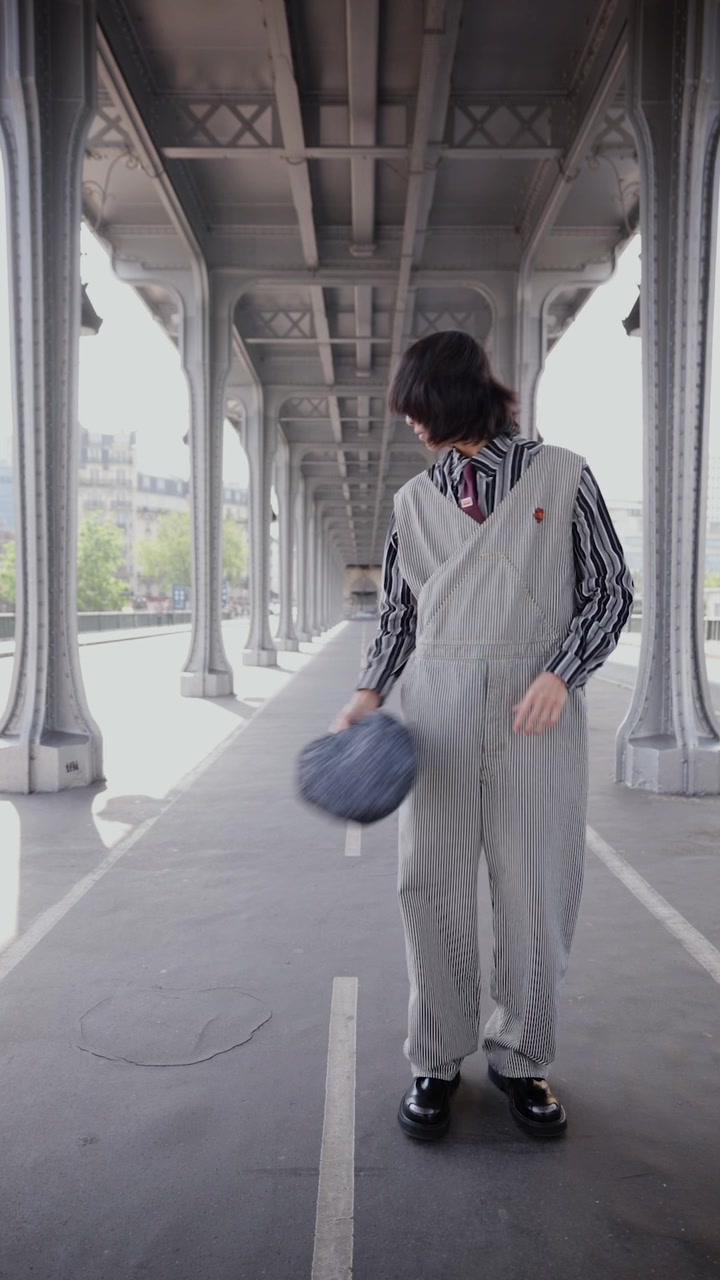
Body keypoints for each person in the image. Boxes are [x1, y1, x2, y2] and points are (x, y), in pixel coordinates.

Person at [332, 330, 633, 1141]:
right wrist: (367, 693)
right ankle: (436, 1058)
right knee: (427, 884)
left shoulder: (563, 474)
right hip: (436, 711)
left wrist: (562, 672)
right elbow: (398, 615)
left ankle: (522, 1059)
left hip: (536, 710)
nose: (410, 423)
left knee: (536, 888)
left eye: (418, 407)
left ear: (458, 396)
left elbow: (610, 590)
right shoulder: (412, 502)